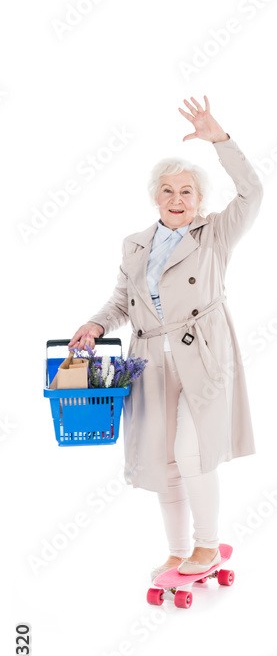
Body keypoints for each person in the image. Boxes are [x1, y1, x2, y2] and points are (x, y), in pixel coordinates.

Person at [68, 96, 263, 578]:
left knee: (190, 453)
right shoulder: (135, 244)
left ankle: (208, 546)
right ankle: (178, 551)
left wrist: (220, 138)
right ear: (155, 196)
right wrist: (94, 324)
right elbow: (120, 302)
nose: (177, 200)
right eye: (168, 191)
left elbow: (252, 192)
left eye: (187, 193)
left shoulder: (215, 234)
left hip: (204, 356)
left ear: (200, 199)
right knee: (163, 461)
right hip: (150, 359)